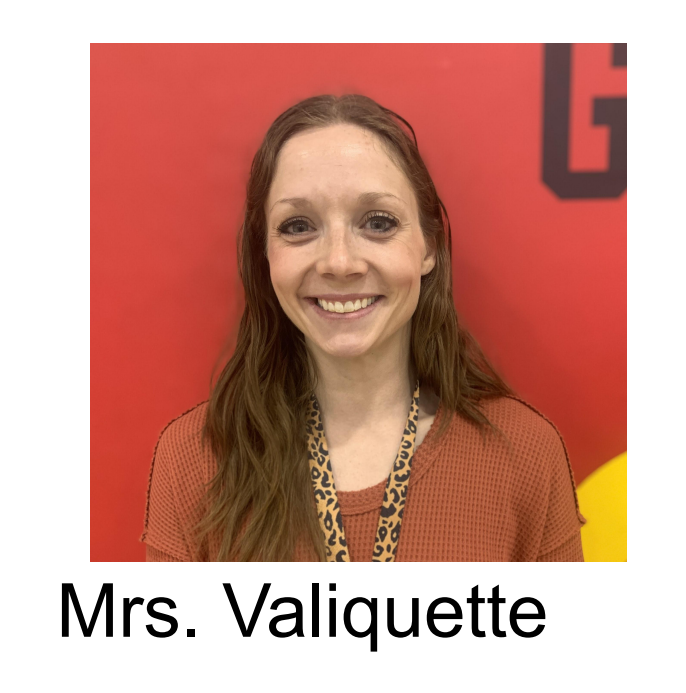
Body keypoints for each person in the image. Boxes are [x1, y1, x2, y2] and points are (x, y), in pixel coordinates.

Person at [141, 94, 586, 562]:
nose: (339, 262)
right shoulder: (192, 460)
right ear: (265, 255)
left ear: (429, 247)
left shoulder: (525, 454)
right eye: (298, 226)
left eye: (377, 222)